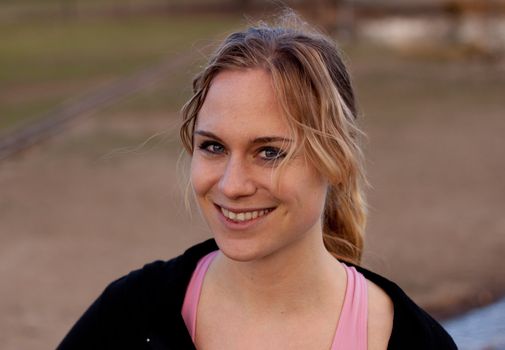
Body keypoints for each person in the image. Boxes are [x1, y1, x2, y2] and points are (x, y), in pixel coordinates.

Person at [58, 13, 457, 350]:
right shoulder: (130, 316)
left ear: (336, 160)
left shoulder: (405, 338)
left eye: (269, 152)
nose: (232, 185)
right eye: (213, 147)